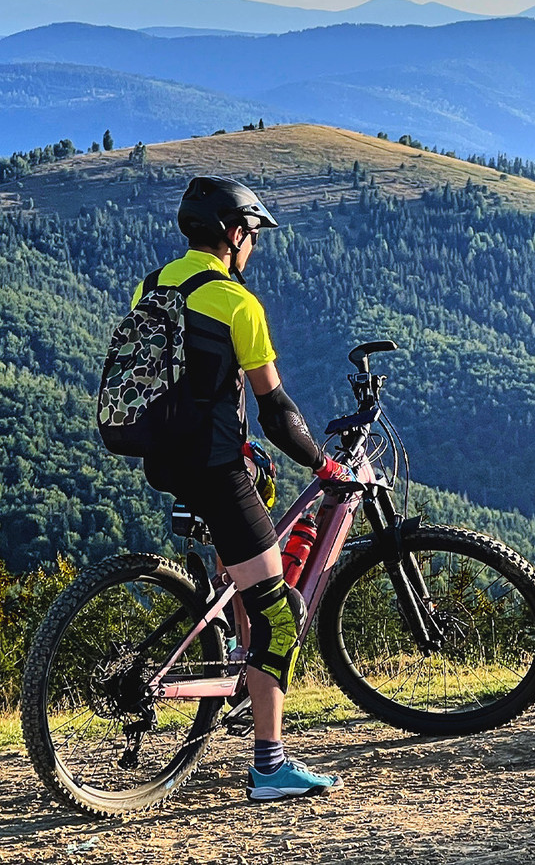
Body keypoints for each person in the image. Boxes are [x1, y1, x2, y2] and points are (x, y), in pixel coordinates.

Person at [135, 175, 349, 801]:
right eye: (251, 234)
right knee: (282, 616)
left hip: (165, 461)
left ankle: (232, 649)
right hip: (213, 470)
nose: (252, 245)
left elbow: (180, 383)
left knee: (251, 552)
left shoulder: (152, 287)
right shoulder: (237, 304)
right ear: (233, 234)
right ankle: (269, 764)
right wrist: (323, 465)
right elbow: (276, 408)